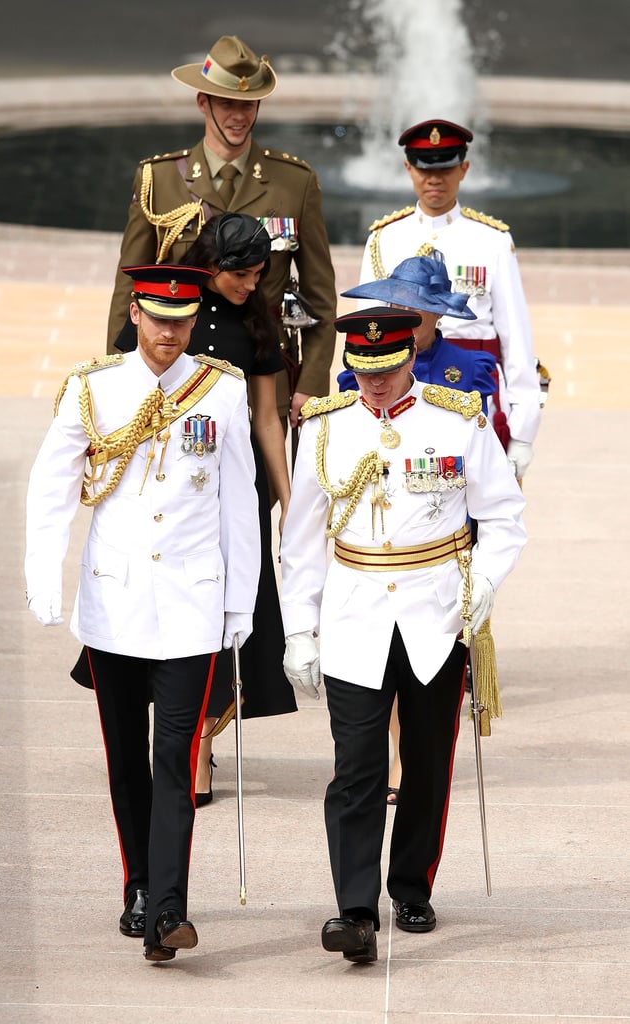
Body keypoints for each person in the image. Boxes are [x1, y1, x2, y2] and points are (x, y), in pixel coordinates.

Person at [25, 265, 261, 963]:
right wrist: (45, 577)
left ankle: (168, 910)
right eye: (158, 319)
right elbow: (52, 486)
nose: (168, 334)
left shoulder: (220, 390)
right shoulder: (92, 388)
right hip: (115, 602)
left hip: (192, 603)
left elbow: (237, 503)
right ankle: (136, 885)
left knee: (176, 759)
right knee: (126, 757)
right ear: (135, 313)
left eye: (181, 322)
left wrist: (240, 598)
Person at [280, 308, 526, 963]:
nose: (374, 382)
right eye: (362, 370)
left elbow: (503, 517)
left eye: (385, 369)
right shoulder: (327, 426)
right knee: (355, 770)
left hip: (435, 615)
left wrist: (483, 589)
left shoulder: (457, 419)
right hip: (354, 613)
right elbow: (301, 540)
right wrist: (297, 629)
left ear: (409, 356)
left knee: (424, 764)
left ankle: (410, 885)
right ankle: (354, 911)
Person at [106, 33, 337, 434]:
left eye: (249, 105)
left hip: (263, 377)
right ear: (203, 102)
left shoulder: (294, 182)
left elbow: (319, 295)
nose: (239, 115)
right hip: (176, 372)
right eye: (228, 103)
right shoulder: (159, 179)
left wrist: (312, 384)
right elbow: (129, 289)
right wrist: (119, 371)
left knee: (259, 493)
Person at [339, 248, 497, 805]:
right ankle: (393, 757)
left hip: (444, 529)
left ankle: (412, 762)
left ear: (438, 313)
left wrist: (480, 565)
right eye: (397, 301)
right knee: (382, 656)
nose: (406, 311)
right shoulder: (355, 367)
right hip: (379, 533)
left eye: (419, 306)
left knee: (426, 658)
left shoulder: (470, 368)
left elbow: (483, 455)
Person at [182, 212, 297, 800]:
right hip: (174, 489)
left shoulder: (257, 324)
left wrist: (288, 500)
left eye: (258, 275)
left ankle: (201, 746)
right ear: (213, 265)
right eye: (243, 276)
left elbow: (269, 419)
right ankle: (180, 734)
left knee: (234, 613)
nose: (251, 286)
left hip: (236, 488)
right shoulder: (167, 305)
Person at [358, 118, 540, 479]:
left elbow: (516, 339)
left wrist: (523, 431)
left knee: (483, 503)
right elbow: (367, 330)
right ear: (408, 168)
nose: (435, 179)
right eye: (425, 169)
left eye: (446, 168)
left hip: (475, 384)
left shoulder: (492, 240)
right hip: (400, 381)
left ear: (464, 168)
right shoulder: (383, 238)